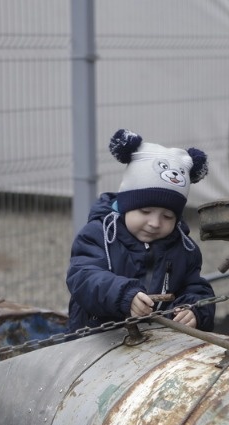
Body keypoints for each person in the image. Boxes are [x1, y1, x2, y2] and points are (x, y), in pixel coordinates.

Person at [66, 129, 216, 333]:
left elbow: (195, 287)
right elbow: (83, 277)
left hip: (155, 342)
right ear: (126, 205)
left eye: (168, 216)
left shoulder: (184, 248)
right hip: (96, 339)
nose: (155, 223)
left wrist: (195, 310)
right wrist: (124, 296)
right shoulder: (99, 234)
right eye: (145, 211)